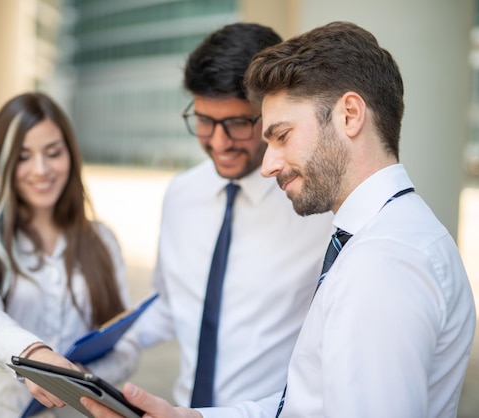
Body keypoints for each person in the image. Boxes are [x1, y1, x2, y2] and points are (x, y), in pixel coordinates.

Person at [80, 21, 477, 418]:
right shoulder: (375, 239)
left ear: (350, 115)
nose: (268, 165)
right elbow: (309, 404)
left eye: (282, 135)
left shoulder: (384, 262)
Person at [134, 22, 334, 408]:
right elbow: (168, 305)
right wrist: (93, 349)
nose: (219, 142)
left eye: (239, 123)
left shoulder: (319, 211)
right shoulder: (181, 195)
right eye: (206, 121)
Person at [0, 92, 139, 417]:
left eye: (52, 153)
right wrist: (34, 356)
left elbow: (127, 347)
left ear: (70, 153)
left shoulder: (101, 240)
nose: (40, 169)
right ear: (2, 162)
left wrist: (79, 379)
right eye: (23, 156)